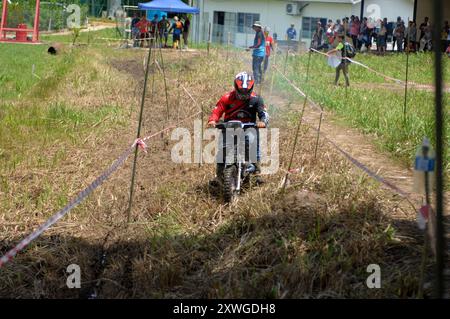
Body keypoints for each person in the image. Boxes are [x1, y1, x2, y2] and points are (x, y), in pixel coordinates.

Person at [207, 72, 269, 185]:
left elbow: (263, 113)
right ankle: (219, 176)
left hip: (249, 127)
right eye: (241, 91)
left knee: (253, 145)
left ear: (251, 88)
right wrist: (213, 120)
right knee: (223, 150)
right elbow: (217, 110)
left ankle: (257, 173)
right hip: (229, 128)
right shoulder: (227, 98)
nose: (244, 94)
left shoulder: (257, 99)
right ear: (235, 87)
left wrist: (263, 121)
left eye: (246, 91)